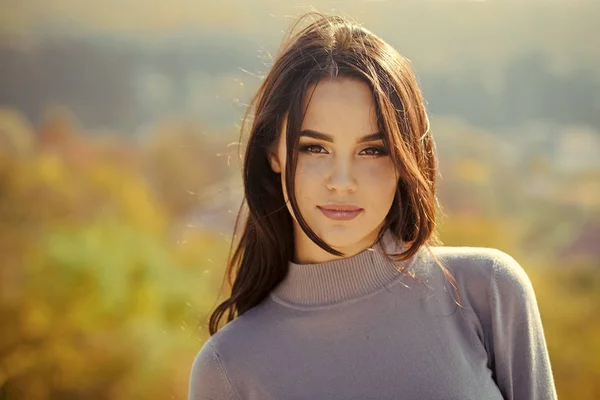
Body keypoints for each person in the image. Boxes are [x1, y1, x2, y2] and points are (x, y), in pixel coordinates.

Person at [188, 12, 558, 400]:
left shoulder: (489, 291)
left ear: (405, 159)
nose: (343, 181)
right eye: (314, 147)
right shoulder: (228, 368)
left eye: (372, 150)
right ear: (273, 154)